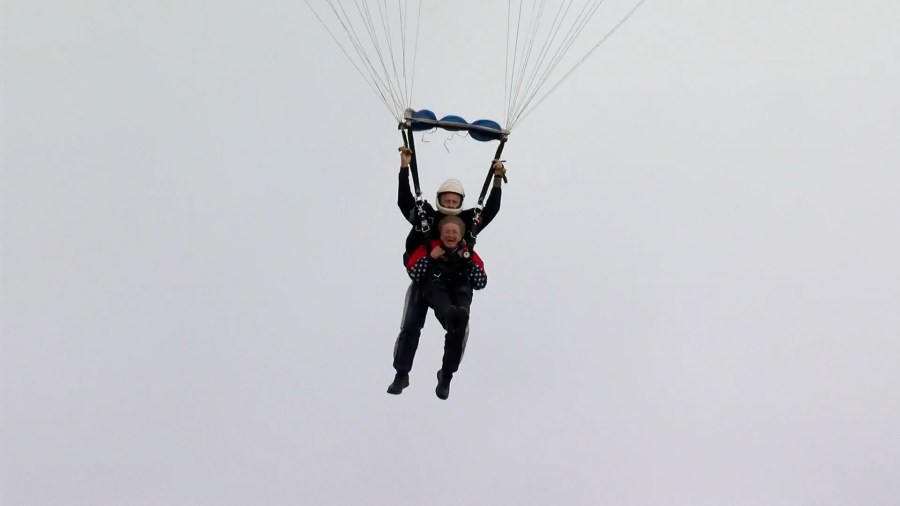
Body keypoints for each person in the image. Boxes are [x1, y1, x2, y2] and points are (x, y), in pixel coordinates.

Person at [387, 147, 506, 396]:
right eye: (447, 200)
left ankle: (446, 375)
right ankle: (401, 374)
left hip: (455, 284)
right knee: (410, 327)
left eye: (455, 201)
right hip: (426, 280)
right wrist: (404, 168)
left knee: (458, 325)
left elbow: (491, 211)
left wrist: (497, 178)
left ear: (460, 203)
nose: (451, 204)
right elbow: (404, 201)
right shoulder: (425, 218)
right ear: (440, 199)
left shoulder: (467, 222)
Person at [405, 215, 487, 399]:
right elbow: (415, 272)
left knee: (460, 314)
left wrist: (468, 262)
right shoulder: (430, 248)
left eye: (454, 232)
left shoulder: (468, 253)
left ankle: (446, 376)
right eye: (447, 232)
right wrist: (430, 257)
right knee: (437, 289)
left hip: (460, 292)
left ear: (460, 236)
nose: (450, 235)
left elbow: (481, 282)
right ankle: (449, 313)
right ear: (440, 235)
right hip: (437, 289)